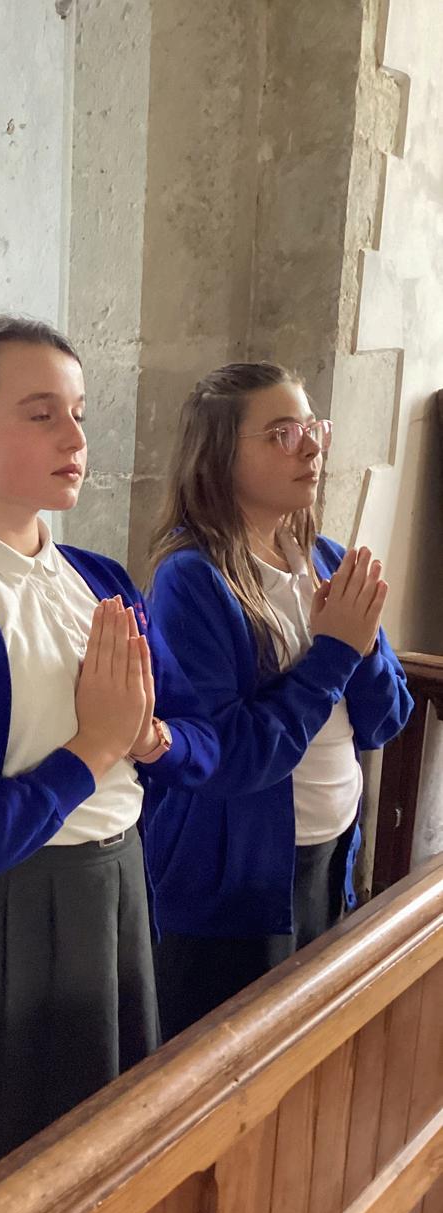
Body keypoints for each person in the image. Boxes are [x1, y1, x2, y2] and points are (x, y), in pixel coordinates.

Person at [0, 316, 218, 1203]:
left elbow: (196, 743)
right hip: (1, 917)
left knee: (102, 1158)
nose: (75, 439)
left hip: (114, 888)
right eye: (40, 414)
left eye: (79, 413)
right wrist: (93, 747)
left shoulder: (99, 580)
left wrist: (151, 739)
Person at [146, 362, 413, 1038]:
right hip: (235, 883)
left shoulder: (324, 558)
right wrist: (334, 653)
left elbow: (386, 720)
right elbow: (226, 756)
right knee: (229, 1063)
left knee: (308, 1049)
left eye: (313, 427)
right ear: (220, 457)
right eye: (282, 433)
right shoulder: (191, 580)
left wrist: (359, 647)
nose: (312, 446)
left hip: (329, 857)